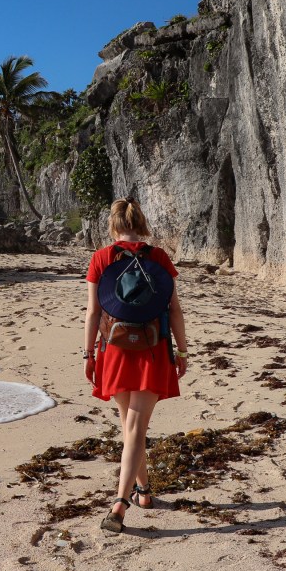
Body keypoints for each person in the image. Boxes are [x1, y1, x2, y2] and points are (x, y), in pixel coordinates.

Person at [83, 197, 189, 533]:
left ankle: (125, 499)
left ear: (113, 225)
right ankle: (133, 495)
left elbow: (93, 312)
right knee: (135, 429)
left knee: (131, 428)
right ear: (140, 223)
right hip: (152, 349)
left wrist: (88, 355)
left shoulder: (101, 258)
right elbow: (174, 310)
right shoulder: (158, 257)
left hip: (114, 349)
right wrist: (182, 351)